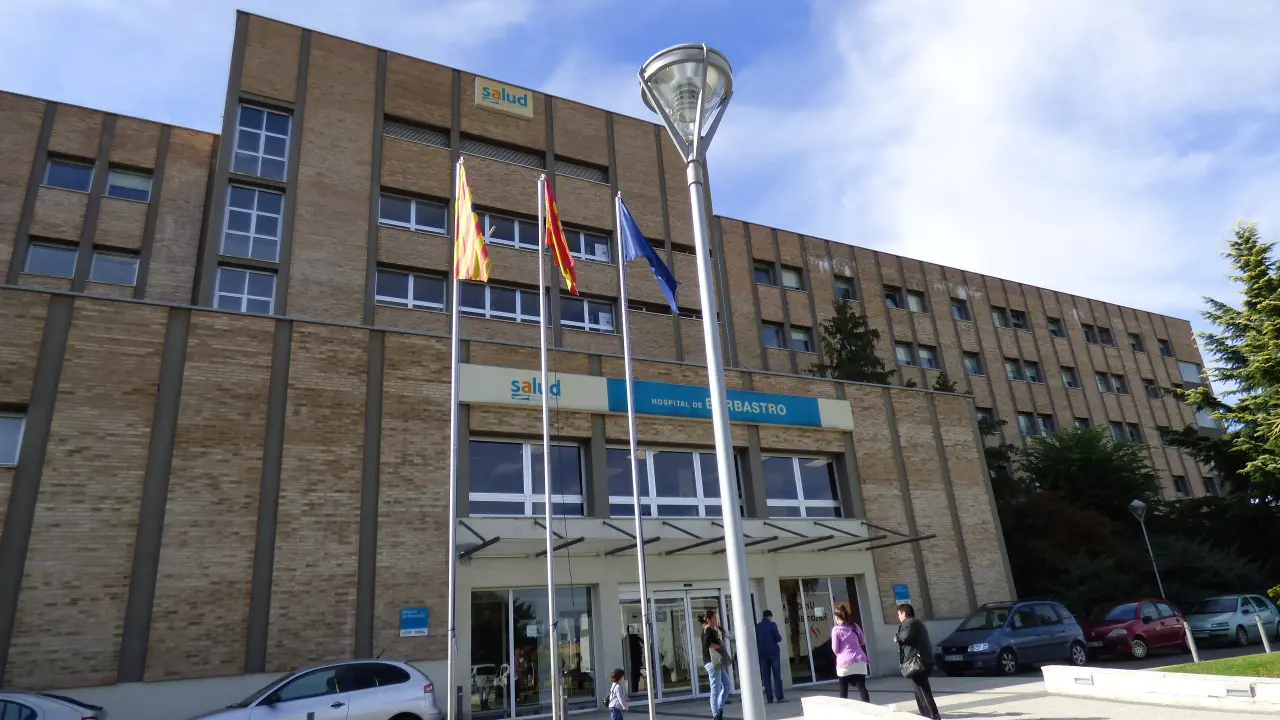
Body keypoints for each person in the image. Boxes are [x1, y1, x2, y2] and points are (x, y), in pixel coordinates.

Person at [895, 603, 940, 720]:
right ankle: (926, 714)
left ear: (904, 613)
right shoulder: (916, 622)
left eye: (899, 614)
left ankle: (933, 715)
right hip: (922, 659)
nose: (898, 617)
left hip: (918, 661)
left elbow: (905, 636)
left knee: (923, 689)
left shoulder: (908, 623)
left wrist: (897, 637)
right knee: (919, 688)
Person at [831, 603, 869, 702]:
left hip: (844, 664)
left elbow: (835, 649)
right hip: (859, 660)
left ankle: (843, 709)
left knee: (843, 690)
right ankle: (868, 707)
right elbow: (862, 642)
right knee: (861, 687)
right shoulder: (855, 626)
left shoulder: (836, 630)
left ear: (837, 617)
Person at [700, 610, 731, 720]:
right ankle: (716, 715)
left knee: (727, 685)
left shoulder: (712, 630)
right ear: (708, 619)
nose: (716, 620)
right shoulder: (707, 630)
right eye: (714, 618)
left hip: (717, 662)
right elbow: (708, 644)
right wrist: (719, 646)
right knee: (715, 690)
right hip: (712, 663)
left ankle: (719, 709)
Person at [755, 609, 784, 703]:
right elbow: (778, 638)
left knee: (766, 676)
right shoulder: (772, 625)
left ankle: (769, 698)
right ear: (770, 616)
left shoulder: (757, 626)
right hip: (773, 652)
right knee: (776, 675)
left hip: (762, 653)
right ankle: (779, 697)